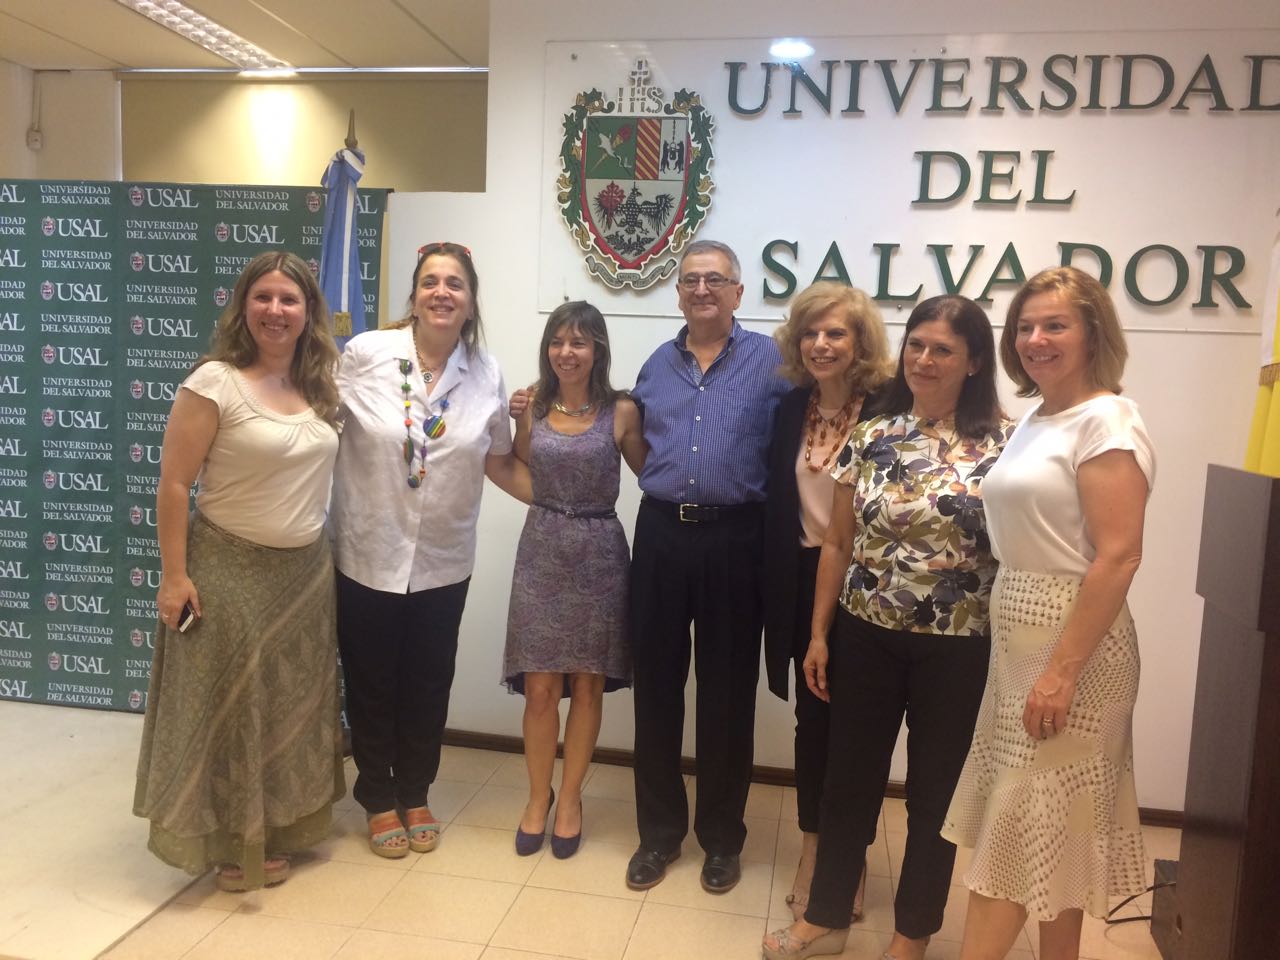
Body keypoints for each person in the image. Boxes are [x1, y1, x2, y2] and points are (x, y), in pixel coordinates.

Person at [764, 295, 1011, 960]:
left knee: (933, 797)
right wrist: (819, 635)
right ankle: (824, 918)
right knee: (847, 783)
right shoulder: (873, 435)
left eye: (943, 349)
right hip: (865, 635)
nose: (924, 359)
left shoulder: (1003, 446)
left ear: (974, 362)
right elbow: (837, 544)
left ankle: (911, 936)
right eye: (917, 345)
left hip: (957, 648)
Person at [942, 267, 1155, 960]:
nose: (1036, 339)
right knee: (1050, 832)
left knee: (1019, 829)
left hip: (1072, 644)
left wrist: (1061, 673)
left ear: (1093, 333)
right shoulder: (1038, 416)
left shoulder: (1107, 420)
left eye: (1055, 325)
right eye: (1026, 327)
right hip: (1020, 633)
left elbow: (1119, 555)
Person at [134, 251, 344, 892]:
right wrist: (174, 576)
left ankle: (277, 828)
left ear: (309, 312)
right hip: (226, 571)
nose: (276, 311)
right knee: (226, 711)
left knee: (286, 709)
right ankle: (229, 842)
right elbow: (174, 484)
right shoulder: (214, 382)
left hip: (304, 577)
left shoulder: (321, 385)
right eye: (263, 297)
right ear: (243, 306)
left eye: (289, 300)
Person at [329, 242, 528, 859]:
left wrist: (568, 501)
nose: (443, 292)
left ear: (470, 302)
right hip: (367, 550)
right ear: (414, 297)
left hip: (444, 558)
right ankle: (376, 796)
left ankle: (415, 791)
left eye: (455, 284)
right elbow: (319, 430)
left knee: (427, 681)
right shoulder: (366, 354)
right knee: (371, 680)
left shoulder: (485, 372)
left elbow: (500, 461)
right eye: (431, 282)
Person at [625, 239, 792, 894]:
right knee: (656, 690)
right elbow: (638, 443)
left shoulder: (772, 362)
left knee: (726, 696)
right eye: (691, 280)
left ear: (738, 293)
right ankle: (659, 834)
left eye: (715, 280)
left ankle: (722, 839)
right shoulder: (654, 365)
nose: (702, 289)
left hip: (737, 540)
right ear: (678, 294)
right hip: (662, 535)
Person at [762, 282, 893, 921]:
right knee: (812, 723)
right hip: (800, 579)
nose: (820, 344)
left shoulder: (890, 407)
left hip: (867, 583)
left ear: (860, 342)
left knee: (857, 730)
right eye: (810, 333)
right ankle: (813, 849)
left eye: (835, 333)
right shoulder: (793, 406)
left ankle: (851, 857)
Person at [502, 301, 646, 858]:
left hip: (600, 556)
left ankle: (570, 800)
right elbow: (521, 465)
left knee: (587, 686)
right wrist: (515, 418)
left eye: (579, 342)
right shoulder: (532, 405)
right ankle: (536, 797)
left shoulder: (622, 411)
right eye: (558, 341)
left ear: (597, 350)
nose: (567, 352)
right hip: (541, 552)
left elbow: (653, 472)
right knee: (540, 689)